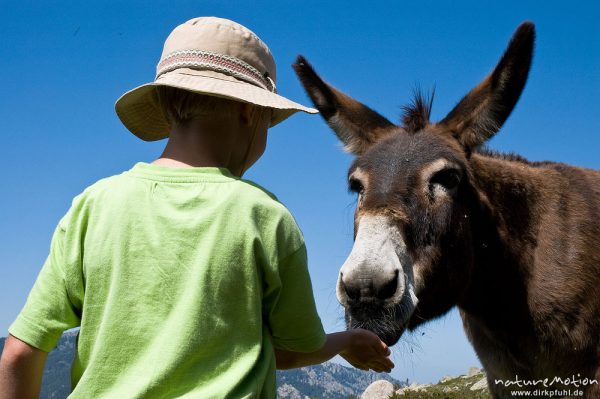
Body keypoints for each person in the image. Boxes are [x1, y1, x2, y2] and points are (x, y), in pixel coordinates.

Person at [0, 17, 394, 398]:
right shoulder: (264, 217)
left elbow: (20, 351)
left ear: (167, 106)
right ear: (249, 111)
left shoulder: (92, 205)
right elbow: (295, 347)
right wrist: (345, 341)